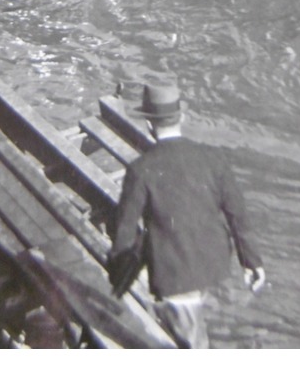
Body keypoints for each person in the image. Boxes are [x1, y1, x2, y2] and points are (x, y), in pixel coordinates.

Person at [109, 82, 265, 349]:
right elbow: (238, 215)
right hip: (215, 262)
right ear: (182, 117)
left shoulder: (141, 169)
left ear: (148, 124)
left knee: (191, 342)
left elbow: (124, 230)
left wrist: (116, 279)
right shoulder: (213, 157)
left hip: (176, 275)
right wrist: (252, 263)